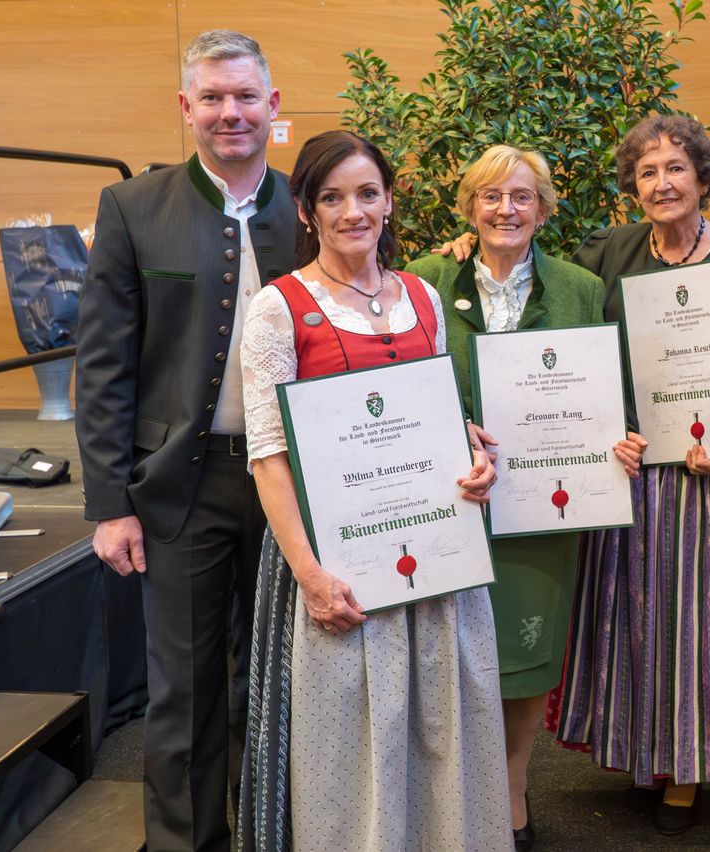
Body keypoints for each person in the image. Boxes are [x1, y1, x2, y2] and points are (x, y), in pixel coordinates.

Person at [235, 130, 510, 851]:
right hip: (339, 563)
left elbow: (440, 416)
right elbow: (268, 457)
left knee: (444, 735)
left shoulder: (421, 294)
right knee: (351, 749)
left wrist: (473, 455)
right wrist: (311, 577)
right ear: (306, 210)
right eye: (332, 198)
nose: (352, 211)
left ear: (389, 200)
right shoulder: (279, 307)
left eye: (366, 193)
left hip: (435, 564)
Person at [75, 30, 295, 851]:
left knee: (284, 679)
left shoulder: (314, 205)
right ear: (186, 107)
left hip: (295, 484)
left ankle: (277, 834)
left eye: (246, 96)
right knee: (186, 690)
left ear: (273, 105)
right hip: (179, 484)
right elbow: (103, 365)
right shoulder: (133, 207)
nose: (230, 112)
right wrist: (110, 505)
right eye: (212, 97)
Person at [554, 114, 710, 835]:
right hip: (629, 472)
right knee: (631, 619)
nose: (662, 183)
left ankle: (687, 770)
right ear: (634, 186)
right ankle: (641, 755)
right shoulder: (606, 255)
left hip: (707, 479)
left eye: (676, 168)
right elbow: (574, 347)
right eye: (648, 172)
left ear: (703, 178)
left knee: (695, 626)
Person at [406, 145, 646, 852]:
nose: (505, 210)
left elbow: (604, 389)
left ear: (543, 210)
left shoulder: (579, 288)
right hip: (448, 497)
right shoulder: (425, 279)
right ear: (469, 207)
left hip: (544, 504)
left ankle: (511, 787)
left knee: (524, 652)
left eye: (521, 197)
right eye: (490, 196)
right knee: (443, 651)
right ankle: (446, 794)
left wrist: (621, 439)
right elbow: (403, 380)